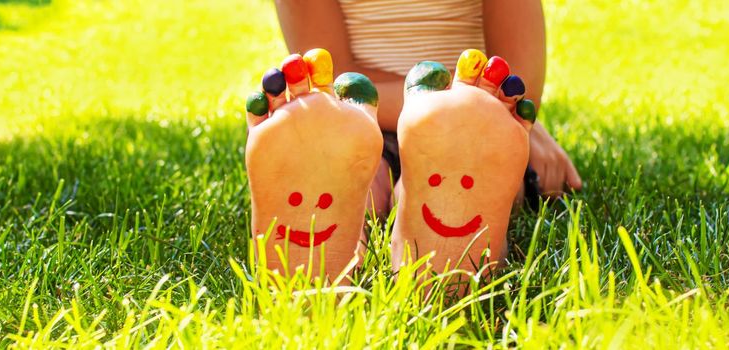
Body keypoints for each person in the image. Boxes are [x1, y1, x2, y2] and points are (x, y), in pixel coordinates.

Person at [244, 0, 582, 281]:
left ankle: (335, 249)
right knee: (359, 165)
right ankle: (423, 227)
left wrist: (464, 110)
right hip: (361, 122)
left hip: (473, 125)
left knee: (450, 160)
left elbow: (518, 78)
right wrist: (441, 102)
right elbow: (334, 79)